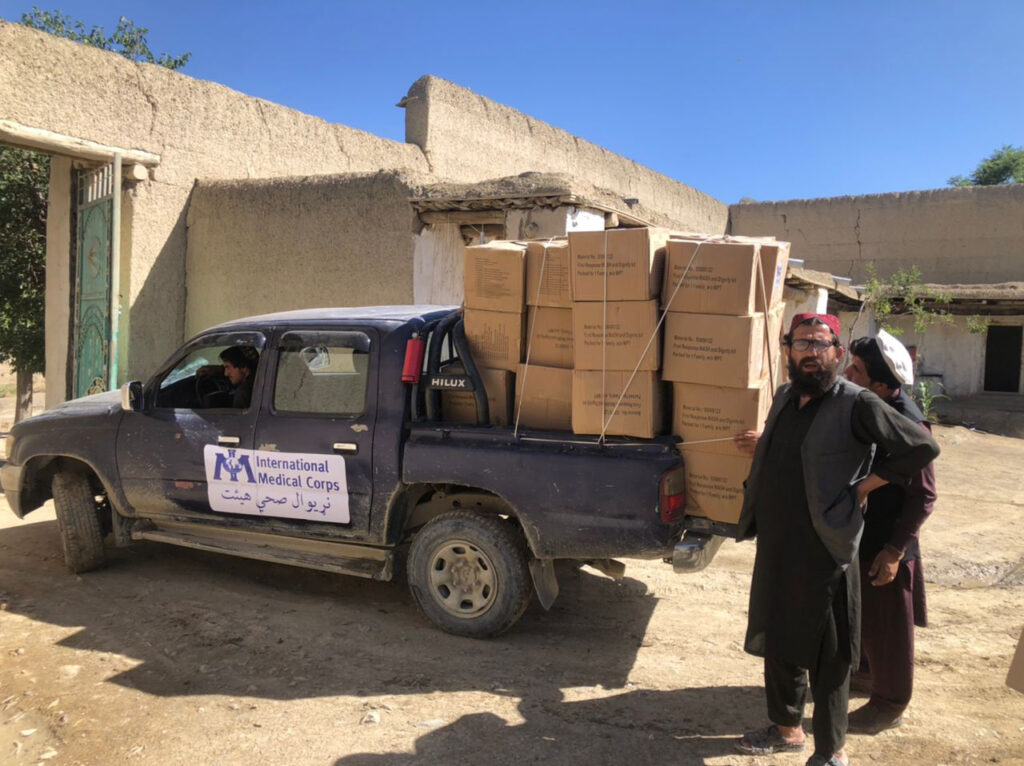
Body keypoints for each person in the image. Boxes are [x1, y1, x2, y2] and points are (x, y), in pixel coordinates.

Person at [732, 313, 940, 766]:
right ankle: (787, 729)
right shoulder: (786, 396)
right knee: (781, 637)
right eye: (802, 343)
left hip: (827, 548)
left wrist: (865, 486)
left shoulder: (857, 403)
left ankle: (832, 751)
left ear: (837, 353)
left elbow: (920, 448)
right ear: (788, 349)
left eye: (821, 344)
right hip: (780, 542)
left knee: (831, 654)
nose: (811, 353)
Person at [844, 330, 936, 734]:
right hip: (864, 536)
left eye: (857, 370)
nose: (848, 372)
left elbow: (924, 497)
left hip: (888, 542)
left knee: (890, 628)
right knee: (864, 617)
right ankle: (865, 675)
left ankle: (890, 702)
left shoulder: (910, 423)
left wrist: (896, 550)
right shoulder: (871, 406)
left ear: (881, 385)